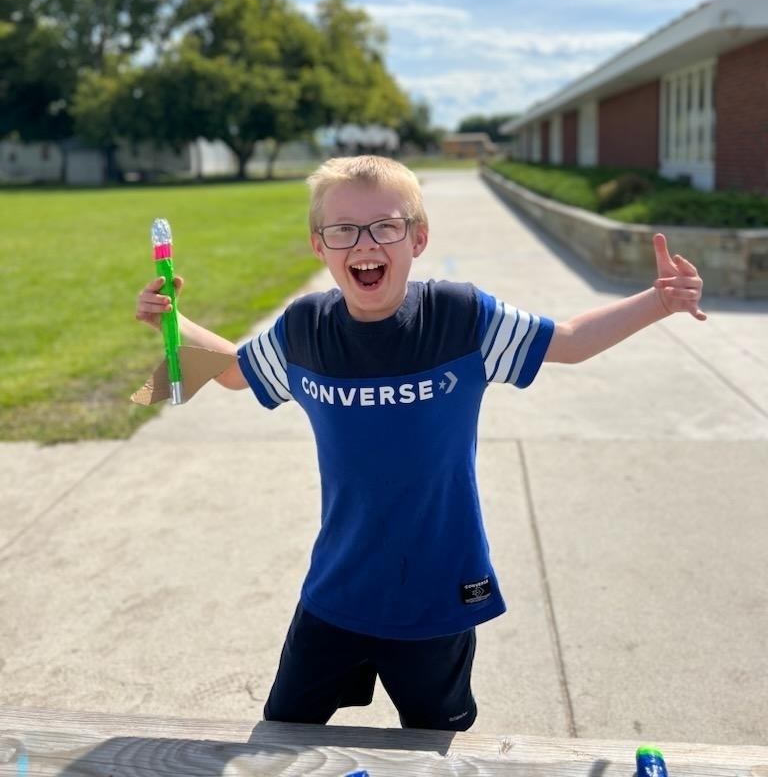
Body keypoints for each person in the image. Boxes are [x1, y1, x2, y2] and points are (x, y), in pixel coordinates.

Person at [135, 154, 706, 731]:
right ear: (319, 245)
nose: (365, 243)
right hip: (337, 591)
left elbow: (572, 340)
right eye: (342, 230)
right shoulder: (304, 328)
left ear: (418, 238)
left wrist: (659, 300)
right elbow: (237, 371)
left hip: (438, 594)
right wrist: (173, 322)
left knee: (435, 747)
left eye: (386, 226)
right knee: (283, 735)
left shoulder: (460, 317)